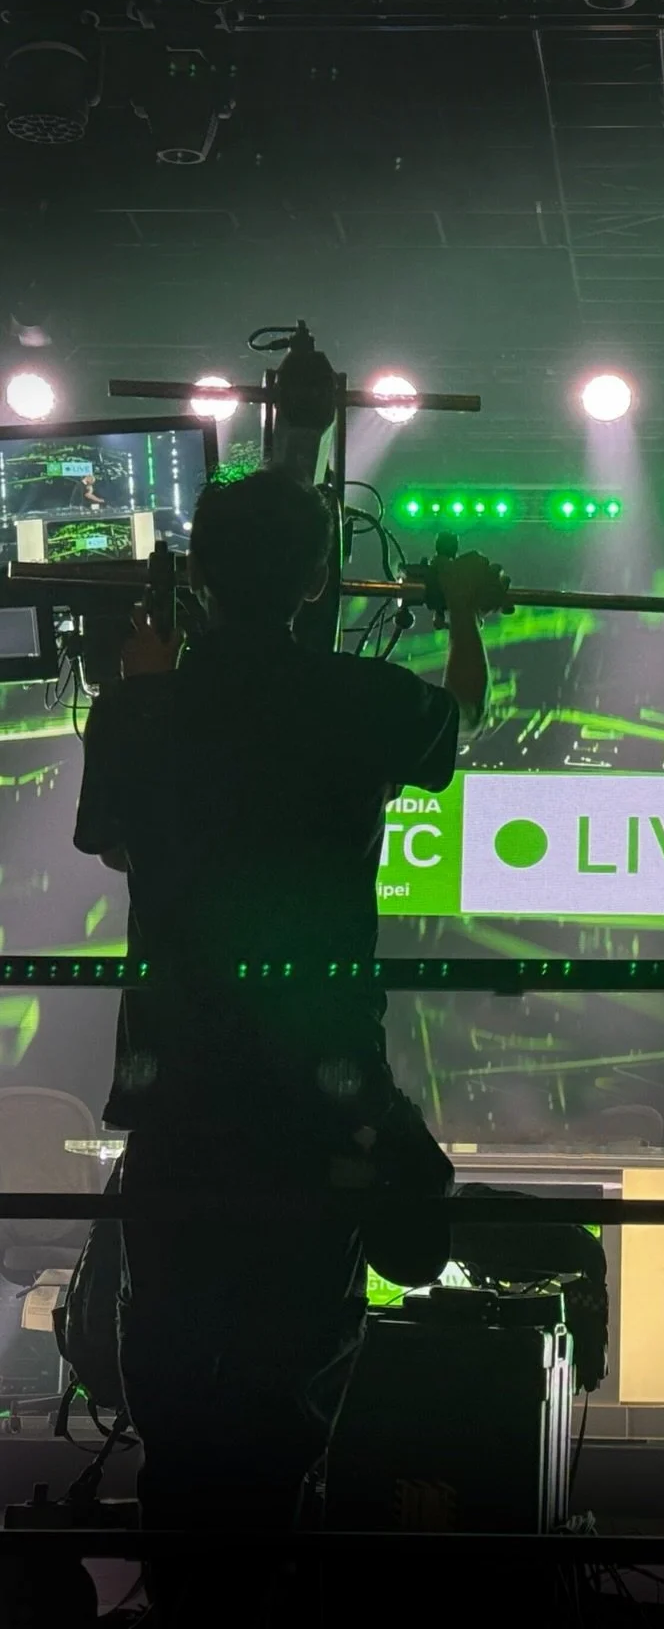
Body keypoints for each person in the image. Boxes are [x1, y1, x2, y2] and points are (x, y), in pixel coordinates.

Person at [72, 465, 507, 1625]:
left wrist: (152, 694)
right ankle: (266, 1593)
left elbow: (117, 849)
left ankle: (181, 1598)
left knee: (174, 1374)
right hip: (315, 1103)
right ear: (321, 577)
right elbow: (462, 717)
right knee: (288, 1383)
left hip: (176, 1094)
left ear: (201, 572)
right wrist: (462, 612)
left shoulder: (137, 711)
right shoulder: (359, 699)